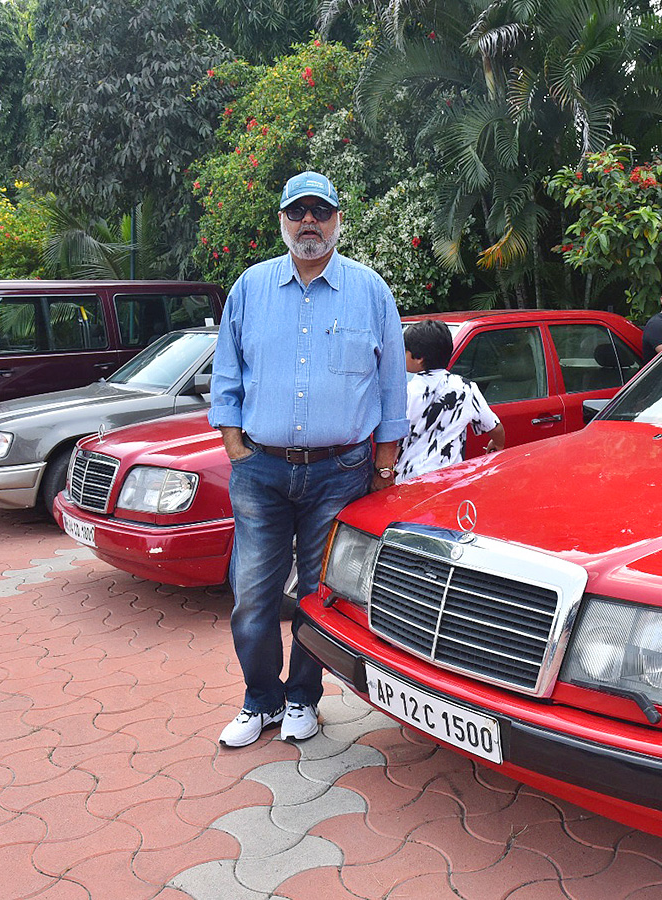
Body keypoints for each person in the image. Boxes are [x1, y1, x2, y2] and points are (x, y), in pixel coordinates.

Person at [208, 171, 407, 748]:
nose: (309, 223)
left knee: (320, 597)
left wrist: (385, 464)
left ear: (338, 220)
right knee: (253, 593)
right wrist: (234, 445)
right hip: (260, 470)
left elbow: (391, 386)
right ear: (282, 221)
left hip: (339, 471)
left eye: (320, 211)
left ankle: (302, 700)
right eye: (298, 213)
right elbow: (227, 373)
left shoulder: (371, 292)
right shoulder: (249, 287)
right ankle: (260, 700)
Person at [396, 318, 505, 484]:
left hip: (409, 481)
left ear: (419, 358)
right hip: (451, 481)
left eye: (404, 350)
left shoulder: (406, 392)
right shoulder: (466, 388)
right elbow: (495, 427)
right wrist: (497, 444)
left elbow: (394, 441)